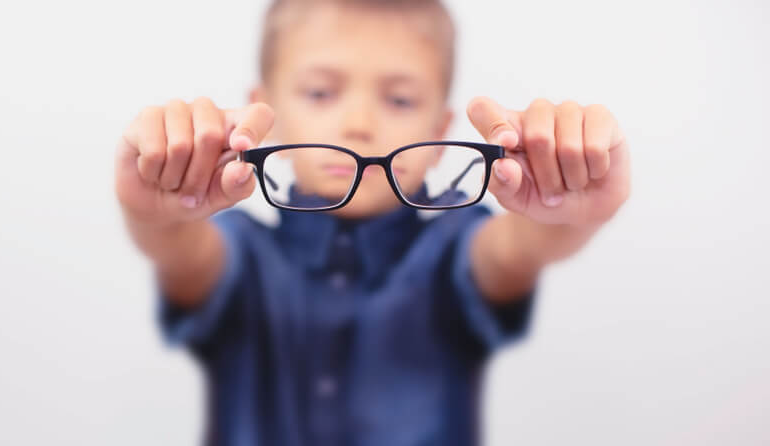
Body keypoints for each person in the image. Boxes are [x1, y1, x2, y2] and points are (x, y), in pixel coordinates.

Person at [114, 1, 630, 444]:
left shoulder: (454, 247)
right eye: (320, 93)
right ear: (264, 114)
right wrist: (155, 209)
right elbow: (182, 250)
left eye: (400, 99)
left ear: (438, 130)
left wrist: (567, 210)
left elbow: (514, 249)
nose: (359, 123)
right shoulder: (239, 251)